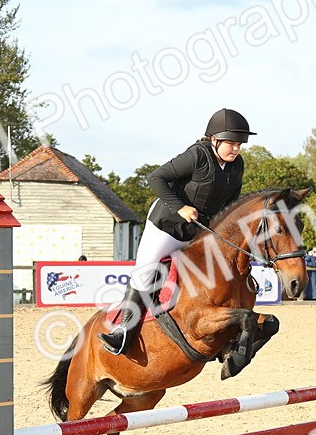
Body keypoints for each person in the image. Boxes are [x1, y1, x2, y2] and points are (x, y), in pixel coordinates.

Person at [98, 108, 254, 355]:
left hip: (198, 232)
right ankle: (122, 331)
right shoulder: (197, 155)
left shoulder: (237, 166)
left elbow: (231, 202)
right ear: (214, 139)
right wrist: (181, 207)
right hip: (166, 226)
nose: (236, 149)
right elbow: (156, 178)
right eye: (231, 143)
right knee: (145, 272)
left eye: (239, 144)